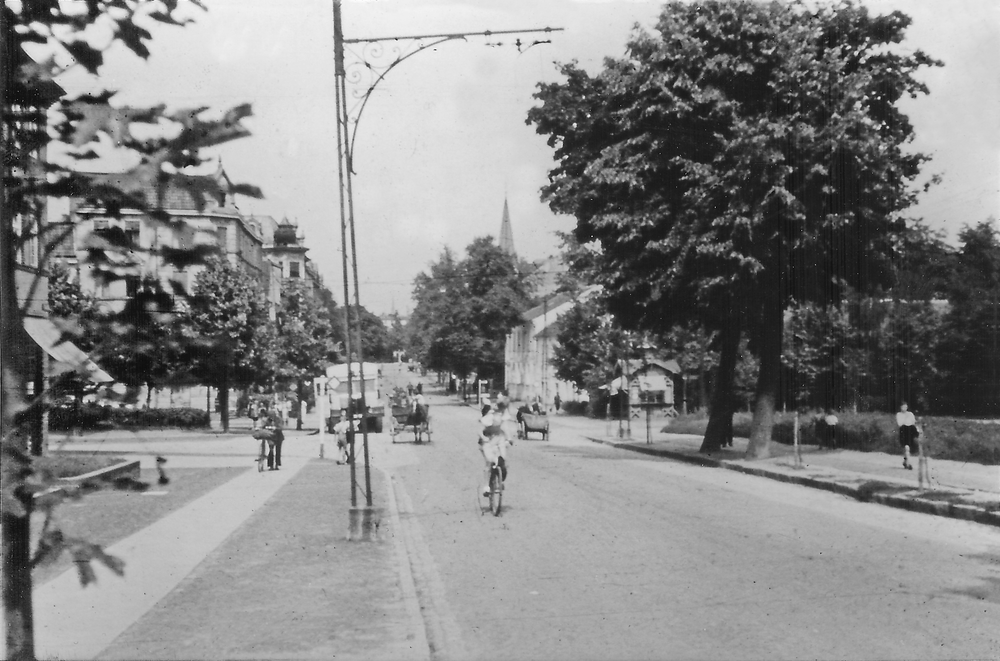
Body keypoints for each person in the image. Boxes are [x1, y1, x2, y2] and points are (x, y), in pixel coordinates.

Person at [479, 401, 513, 498]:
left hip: (499, 439)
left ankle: (499, 479)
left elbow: (505, 427)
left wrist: (509, 438)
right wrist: (483, 438)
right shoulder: (490, 416)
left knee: (502, 459)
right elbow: (480, 429)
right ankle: (486, 486)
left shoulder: (503, 415)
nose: (502, 411)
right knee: (489, 461)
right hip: (488, 439)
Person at [896, 402, 919, 470]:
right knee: (906, 447)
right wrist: (906, 420)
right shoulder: (899, 414)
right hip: (903, 431)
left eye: (906, 407)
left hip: (910, 431)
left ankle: (906, 461)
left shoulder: (910, 414)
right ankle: (908, 464)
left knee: (908, 448)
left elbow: (913, 422)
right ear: (900, 407)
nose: (904, 408)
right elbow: (900, 423)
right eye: (903, 407)